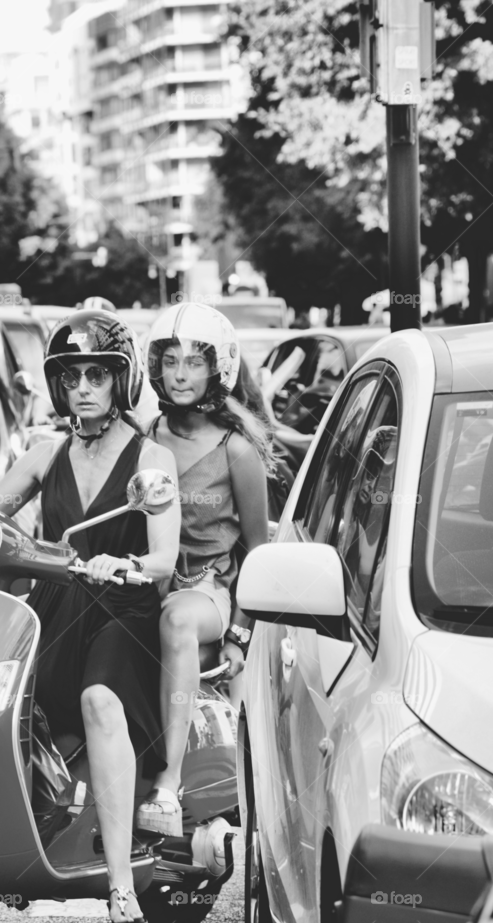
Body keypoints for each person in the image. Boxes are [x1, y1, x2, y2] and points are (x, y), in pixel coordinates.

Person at [0, 309, 179, 923]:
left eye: (98, 374)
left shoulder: (154, 461)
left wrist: (123, 564)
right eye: (72, 376)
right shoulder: (45, 455)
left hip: (123, 611)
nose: (84, 387)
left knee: (99, 699)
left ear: (121, 383)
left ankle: (120, 884)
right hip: (58, 608)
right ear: (57, 385)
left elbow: (166, 560)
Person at [136, 302, 270, 837]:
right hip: (150, 584)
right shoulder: (144, 436)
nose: (181, 374)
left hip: (207, 593)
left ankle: (165, 786)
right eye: (170, 361)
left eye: (194, 362)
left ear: (219, 369)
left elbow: (258, 554)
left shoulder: (237, 450)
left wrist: (241, 633)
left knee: (178, 622)